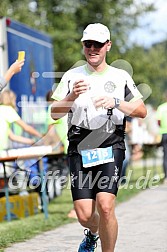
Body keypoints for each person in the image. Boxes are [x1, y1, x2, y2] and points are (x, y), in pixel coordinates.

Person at [51, 23, 147, 252]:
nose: (92, 49)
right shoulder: (72, 76)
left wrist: (116, 102)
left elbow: (141, 110)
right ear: (83, 46)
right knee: (85, 215)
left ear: (108, 46)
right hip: (79, 145)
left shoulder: (120, 76)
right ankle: (92, 233)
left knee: (105, 206)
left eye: (98, 44)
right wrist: (72, 95)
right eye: (88, 44)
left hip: (110, 143)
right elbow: (54, 113)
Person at [156, 91, 167, 185]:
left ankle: (166, 177)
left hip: (164, 133)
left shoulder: (161, 107)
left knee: (165, 156)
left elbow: (158, 122)